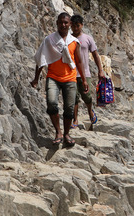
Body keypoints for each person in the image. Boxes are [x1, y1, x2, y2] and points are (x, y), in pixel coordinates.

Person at [31, 12, 88, 146]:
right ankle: (58, 132)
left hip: (70, 79)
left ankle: (67, 133)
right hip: (53, 78)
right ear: (57, 23)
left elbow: (79, 61)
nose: (63, 25)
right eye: (61, 22)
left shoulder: (74, 42)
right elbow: (41, 59)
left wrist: (84, 80)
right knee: (51, 103)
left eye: (66, 22)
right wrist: (36, 78)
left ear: (70, 25)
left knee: (69, 108)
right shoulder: (49, 40)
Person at [70, 14, 106, 129]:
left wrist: (101, 70)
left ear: (82, 25)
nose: (75, 28)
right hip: (71, 73)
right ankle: (75, 119)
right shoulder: (68, 39)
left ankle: (90, 111)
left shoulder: (87, 38)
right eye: (73, 26)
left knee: (87, 96)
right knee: (74, 97)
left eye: (78, 25)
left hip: (85, 73)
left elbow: (95, 55)